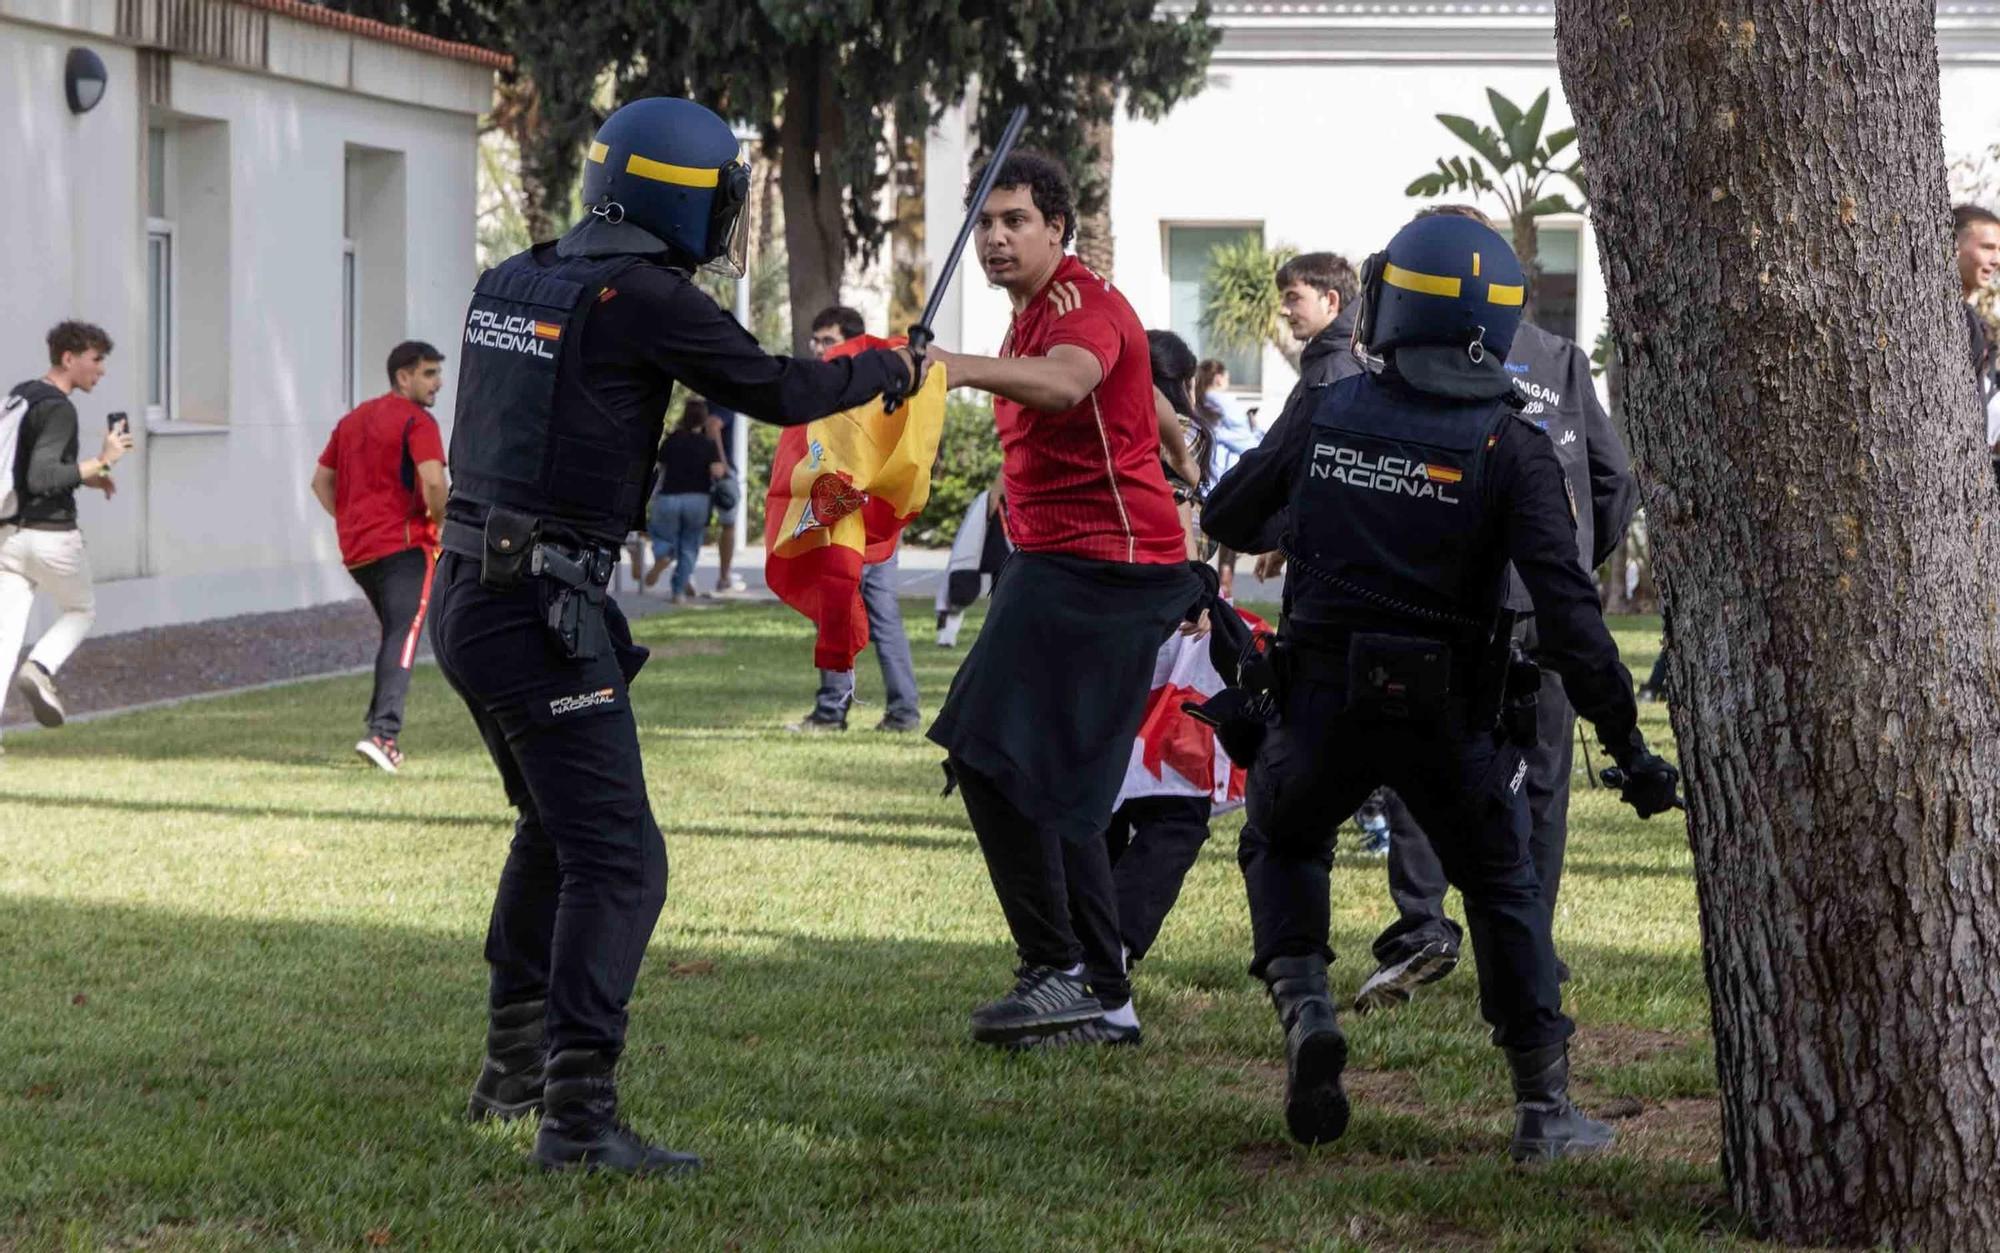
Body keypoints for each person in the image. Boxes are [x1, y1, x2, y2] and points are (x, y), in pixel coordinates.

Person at [436, 96, 916, 1175]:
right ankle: (574, 1118)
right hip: (538, 609)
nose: (730, 213)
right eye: (724, 193)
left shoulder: (517, 275)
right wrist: (886, 369)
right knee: (621, 860)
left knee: (554, 832)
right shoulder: (641, 296)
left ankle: (512, 1069)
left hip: (471, 595)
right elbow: (777, 386)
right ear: (680, 193)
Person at [1201, 212, 1680, 1161]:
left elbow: (1229, 508)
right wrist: (1630, 751)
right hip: (1453, 719)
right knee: (1503, 891)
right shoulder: (1513, 446)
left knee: (1283, 837)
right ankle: (1544, 1111)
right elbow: (1576, 626)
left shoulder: (1325, 404)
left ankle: (1306, 1012)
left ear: (1388, 310)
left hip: (1317, 707)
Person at [925, 150, 1203, 1049]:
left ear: (1056, 228)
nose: (997, 238)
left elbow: (1071, 380)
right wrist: (1181, 450)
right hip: (1060, 566)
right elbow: (1143, 394)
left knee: (1002, 755)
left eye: (1015, 221)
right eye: (986, 224)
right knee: (1041, 773)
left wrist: (950, 368)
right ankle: (1100, 993)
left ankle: (1064, 970)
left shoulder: (1081, 307)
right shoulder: (1034, 315)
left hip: (1105, 573)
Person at [1354, 205, 1640, 1014]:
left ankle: (1422, 924)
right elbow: (1614, 479)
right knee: (1543, 780)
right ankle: (1529, 944)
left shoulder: (1405, 359)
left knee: (1419, 759)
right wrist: (1572, 565)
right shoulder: (1557, 355)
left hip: (1442, 597)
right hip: (1542, 604)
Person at [312, 341, 449, 773]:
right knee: (404, 634)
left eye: (437, 374)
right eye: (428, 374)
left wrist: (351, 520)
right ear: (403, 377)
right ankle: (383, 735)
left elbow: (320, 483)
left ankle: (377, 728)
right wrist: (441, 524)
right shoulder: (417, 421)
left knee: (395, 632)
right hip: (406, 545)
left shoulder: (352, 420)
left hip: (358, 552)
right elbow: (434, 481)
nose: (437, 383)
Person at [788, 305, 921, 734]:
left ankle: (839, 711)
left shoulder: (862, 389)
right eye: (816, 339)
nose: (818, 347)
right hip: (853, 514)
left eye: (827, 340)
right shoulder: (856, 385)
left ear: (850, 341)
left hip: (858, 515)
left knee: (857, 615)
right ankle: (895, 711)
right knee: (859, 615)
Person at [0, 321, 129, 740]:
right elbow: (42, 478)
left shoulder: (22, 395)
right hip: (51, 536)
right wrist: (104, 459)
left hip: (8, 537)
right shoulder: (59, 408)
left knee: (3, 637)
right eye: (96, 360)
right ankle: (40, 669)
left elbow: (29, 470)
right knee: (80, 610)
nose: (101, 370)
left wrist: (91, 474)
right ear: (68, 358)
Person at [644, 399, 725, 603]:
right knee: (690, 545)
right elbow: (717, 471)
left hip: (669, 497)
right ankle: (678, 591)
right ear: (704, 419)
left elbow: (658, 465)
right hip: (698, 499)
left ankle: (663, 554)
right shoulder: (708, 444)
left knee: (660, 534)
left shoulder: (672, 440)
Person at [1952, 205, 2000, 476]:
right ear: (1953, 245)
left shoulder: (1974, 320)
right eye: (1987, 247)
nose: (1996, 260)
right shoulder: (1957, 319)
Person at [705, 400, 746, 594]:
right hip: (722, 474)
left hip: (697, 471)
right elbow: (713, 425)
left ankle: (684, 579)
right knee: (728, 525)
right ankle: (724, 577)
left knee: (693, 528)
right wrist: (722, 462)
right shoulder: (724, 402)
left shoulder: (704, 403)